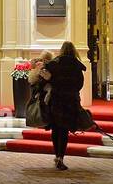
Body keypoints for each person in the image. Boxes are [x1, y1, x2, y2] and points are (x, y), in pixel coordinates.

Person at [37, 42, 86, 171]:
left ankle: (57, 155)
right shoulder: (76, 65)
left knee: (56, 128)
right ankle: (60, 157)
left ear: (62, 50)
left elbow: (44, 80)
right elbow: (80, 84)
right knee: (64, 129)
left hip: (56, 99)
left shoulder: (55, 63)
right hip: (70, 100)